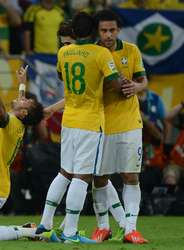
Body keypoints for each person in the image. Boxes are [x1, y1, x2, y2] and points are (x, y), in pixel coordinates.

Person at [35, 11, 122, 244]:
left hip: (69, 120)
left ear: (74, 31)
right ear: (94, 31)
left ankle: (45, 224)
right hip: (91, 123)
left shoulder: (64, 52)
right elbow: (114, 83)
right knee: (82, 177)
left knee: (64, 172)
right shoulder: (101, 53)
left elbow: (63, 78)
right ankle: (70, 232)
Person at [90, 9, 148, 244]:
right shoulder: (92, 53)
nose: (108, 34)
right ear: (97, 31)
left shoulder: (131, 50)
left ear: (118, 29)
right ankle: (103, 227)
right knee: (99, 177)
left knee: (130, 175)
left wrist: (135, 87)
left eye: (112, 30)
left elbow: (144, 80)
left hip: (129, 123)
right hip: (101, 124)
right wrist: (111, 86)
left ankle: (130, 229)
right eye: (103, 30)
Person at [0, 65, 44, 241]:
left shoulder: (11, 123)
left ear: (24, 112)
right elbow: (18, 106)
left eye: (26, 100)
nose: (23, 98)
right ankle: (26, 229)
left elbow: (1, 113)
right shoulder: (19, 121)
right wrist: (22, 84)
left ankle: (30, 232)